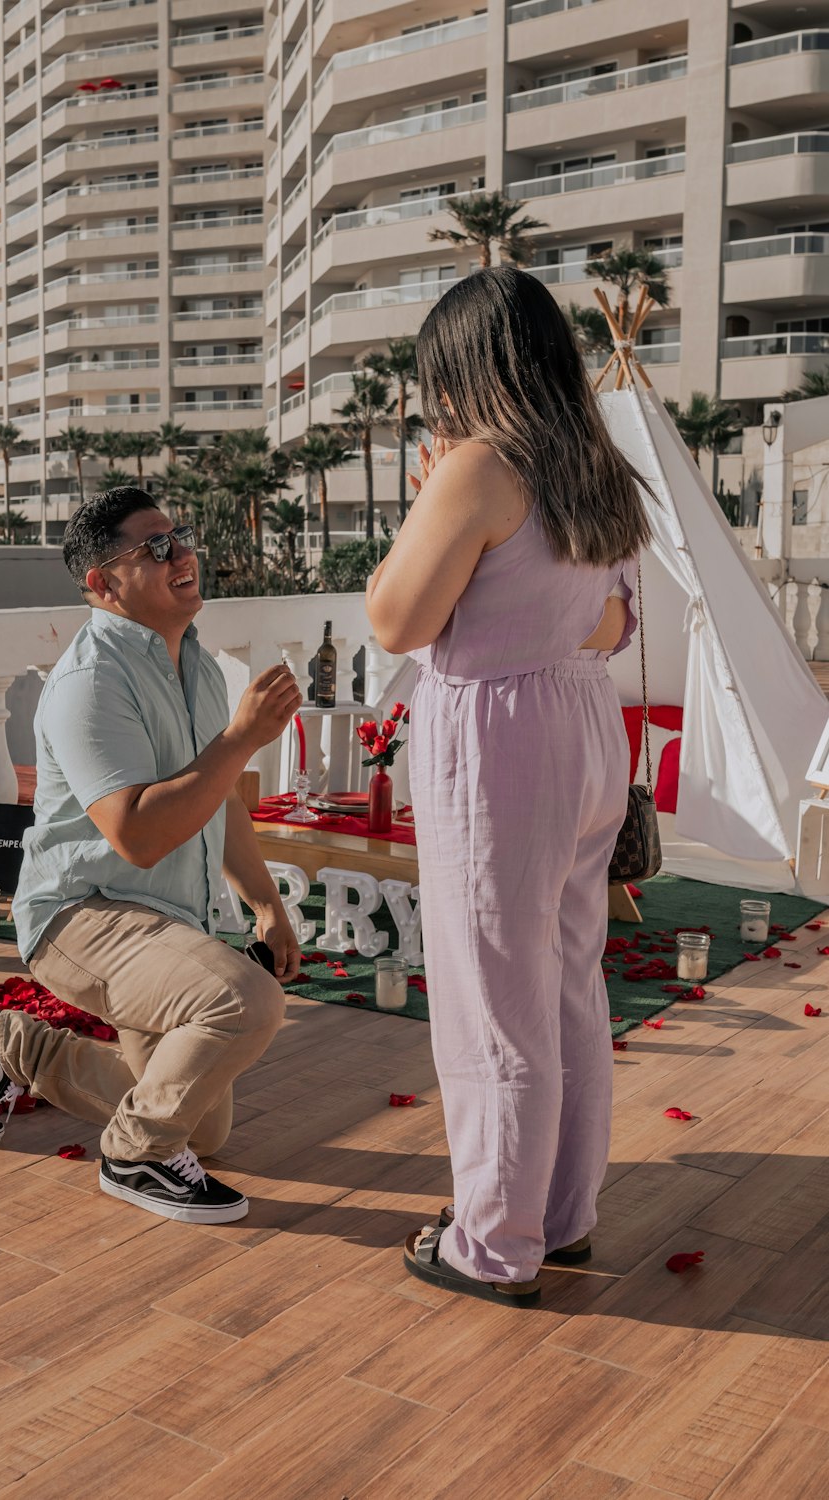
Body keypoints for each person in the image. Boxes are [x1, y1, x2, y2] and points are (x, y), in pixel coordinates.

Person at [366, 266, 651, 1305]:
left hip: (496, 739)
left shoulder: (478, 466)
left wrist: (428, 503)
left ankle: (492, 1241)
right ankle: (560, 1217)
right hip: (581, 726)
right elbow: (615, 625)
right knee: (569, 984)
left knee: (493, 1003)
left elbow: (395, 619)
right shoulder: (596, 466)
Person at [0, 487, 303, 1225]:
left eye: (180, 536)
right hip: (82, 915)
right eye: (155, 547)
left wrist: (267, 905)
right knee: (243, 1002)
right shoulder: (89, 682)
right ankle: (136, 1156)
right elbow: (137, 835)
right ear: (102, 583)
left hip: (165, 920)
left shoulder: (200, 668)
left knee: (205, 1128)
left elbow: (221, 800)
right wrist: (242, 739)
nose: (182, 553)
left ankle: (16, 1047)